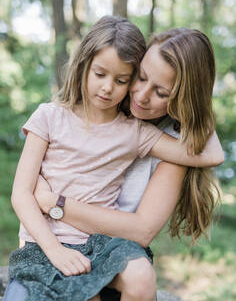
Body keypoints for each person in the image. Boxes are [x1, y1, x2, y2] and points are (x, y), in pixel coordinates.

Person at [3, 17, 223, 301]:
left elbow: (213, 155)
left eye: (122, 80)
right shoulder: (52, 116)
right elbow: (21, 193)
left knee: (131, 280)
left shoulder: (140, 134)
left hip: (104, 245)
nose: (139, 95)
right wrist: (53, 246)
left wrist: (54, 203)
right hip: (48, 242)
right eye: (141, 79)